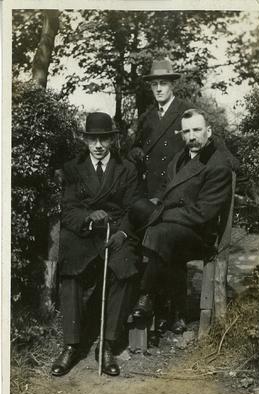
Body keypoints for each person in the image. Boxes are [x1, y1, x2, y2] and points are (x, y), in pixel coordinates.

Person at [51, 112, 141, 377]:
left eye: (104, 139)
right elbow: (68, 210)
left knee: (125, 263)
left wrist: (123, 234)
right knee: (70, 265)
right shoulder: (72, 169)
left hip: (115, 232)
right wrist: (88, 217)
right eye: (93, 139)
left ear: (112, 140)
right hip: (84, 232)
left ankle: (107, 344)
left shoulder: (127, 169)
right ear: (85, 140)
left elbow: (133, 209)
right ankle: (71, 344)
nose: (98, 145)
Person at [129, 108, 233, 326]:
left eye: (197, 130)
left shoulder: (217, 165)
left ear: (209, 131)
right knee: (136, 212)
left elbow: (203, 213)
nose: (192, 136)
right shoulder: (179, 158)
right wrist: (155, 203)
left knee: (159, 232)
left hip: (197, 234)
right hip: (172, 226)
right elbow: (166, 189)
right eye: (187, 132)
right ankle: (146, 305)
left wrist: (163, 214)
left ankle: (146, 296)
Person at [129, 59, 193, 333]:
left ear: (172, 85)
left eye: (163, 83)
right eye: (154, 84)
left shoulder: (186, 112)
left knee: (172, 245)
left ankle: (175, 311)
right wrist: (134, 152)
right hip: (150, 194)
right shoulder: (146, 117)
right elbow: (134, 147)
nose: (158, 88)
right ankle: (148, 306)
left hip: (177, 194)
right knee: (145, 241)